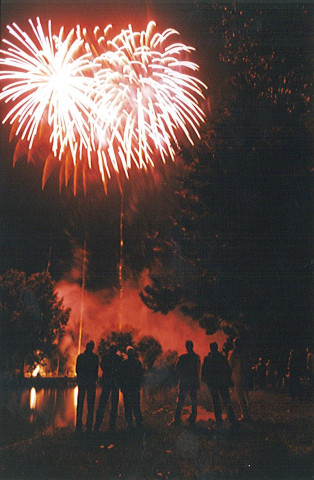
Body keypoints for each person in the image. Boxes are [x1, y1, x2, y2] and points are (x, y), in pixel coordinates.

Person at [202, 342, 237, 428]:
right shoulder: (221, 358)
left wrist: (207, 381)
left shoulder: (208, 359)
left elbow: (203, 372)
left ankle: (219, 421)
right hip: (221, 382)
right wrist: (227, 380)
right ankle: (231, 420)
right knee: (226, 401)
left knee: (216, 402)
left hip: (214, 383)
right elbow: (228, 370)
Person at [94, 344, 123, 432]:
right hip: (113, 383)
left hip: (109, 382)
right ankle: (111, 426)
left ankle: (97, 425)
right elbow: (120, 369)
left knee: (103, 403)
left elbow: (102, 366)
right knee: (113, 404)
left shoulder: (106, 358)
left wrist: (108, 371)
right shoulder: (117, 359)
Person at [172, 340, 201, 426]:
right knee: (194, 401)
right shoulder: (196, 357)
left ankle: (177, 420)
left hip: (184, 382)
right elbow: (198, 370)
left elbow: (177, 369)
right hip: (193, 382)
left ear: (186, 347)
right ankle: (192, 419)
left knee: (180, 401)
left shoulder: (182, 357)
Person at [75, 340, 99, 432]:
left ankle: (79, 424)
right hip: (91, 383)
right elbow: (95, 371)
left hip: (82, 382)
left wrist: (81, 378)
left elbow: (77, 369)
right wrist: (93, 379)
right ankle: (89, 425)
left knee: (80, 404)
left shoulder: (80, 357)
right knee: (90, 404)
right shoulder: (95, 358)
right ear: (92, 347)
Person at [120, 346, 144, 429]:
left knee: (128, 406)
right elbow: (141, 375)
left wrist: (122, 387)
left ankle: (130, 422)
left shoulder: (125, 363)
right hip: (134, 387)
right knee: (136, 405)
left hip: (128, 388)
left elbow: (121, 376)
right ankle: (138, 421)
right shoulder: (137, 363)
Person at [228, 337, 251, 422]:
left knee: (240, 397)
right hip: (245, 376)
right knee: (246, 395)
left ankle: (245, 415)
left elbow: (230, 366)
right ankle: (247, 413)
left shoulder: (233, 354)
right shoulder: (245, 353)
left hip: (237, 377)